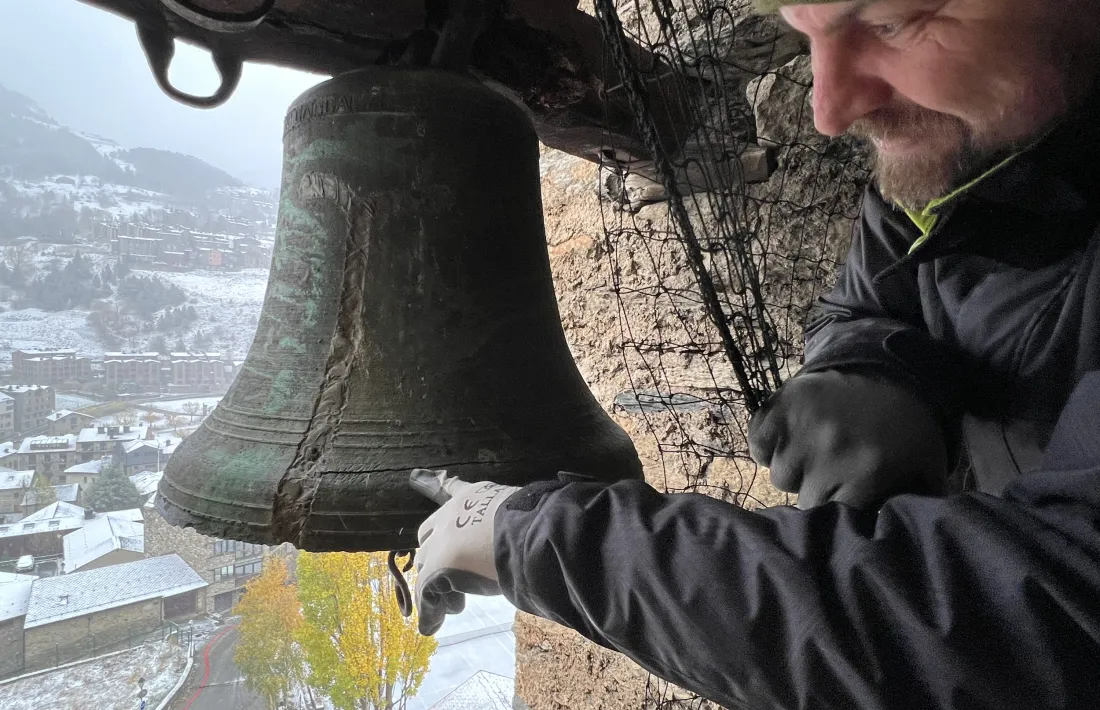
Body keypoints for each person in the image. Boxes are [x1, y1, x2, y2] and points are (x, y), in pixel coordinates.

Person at [411, 1, 1100, 708]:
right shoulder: (977, 149)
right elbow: (874, 294)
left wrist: (546, 544)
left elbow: (1038, 622)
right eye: (809, 35)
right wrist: (875, 371)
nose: (828, 108)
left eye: (892, 23)